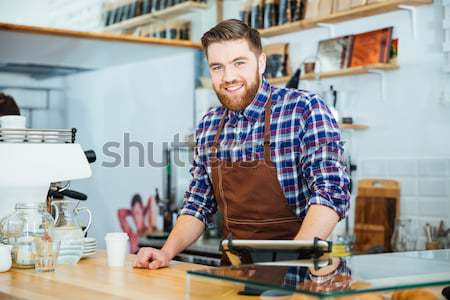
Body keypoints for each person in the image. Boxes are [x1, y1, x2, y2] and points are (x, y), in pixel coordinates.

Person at [135, 19, 350, 270]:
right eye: (217, 67)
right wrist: (165, 253)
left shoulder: (304, 110)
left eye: (239, 63)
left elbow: (330, 192)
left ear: (261, 63)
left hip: (302, 277)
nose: (228, 77)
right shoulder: (210, 125)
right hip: (234, 276)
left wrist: (293, 261)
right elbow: (198, 204)